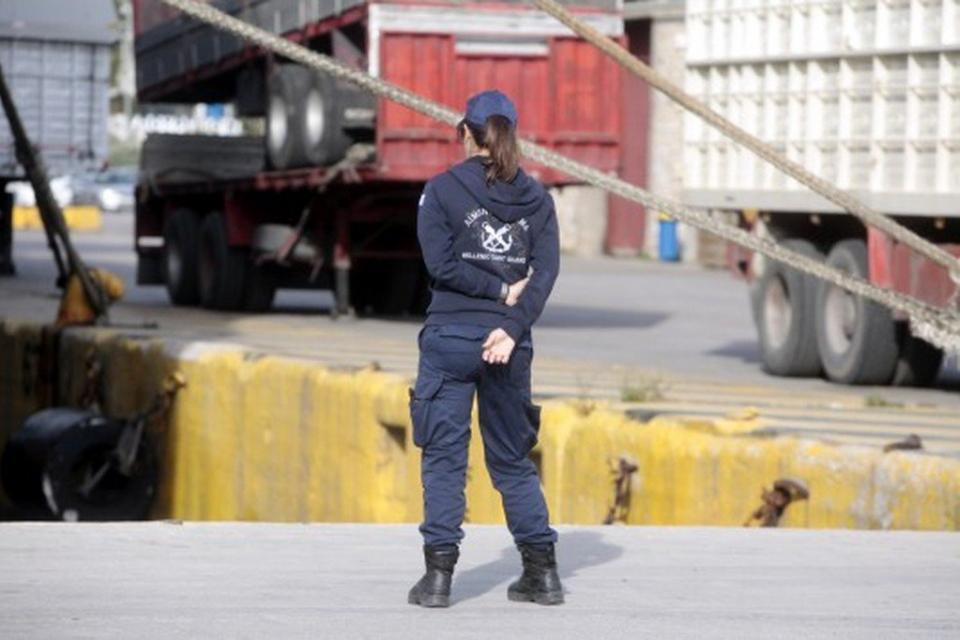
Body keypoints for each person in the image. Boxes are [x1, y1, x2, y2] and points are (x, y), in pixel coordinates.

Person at [407, 90, 562, 608]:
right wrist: (511, 324)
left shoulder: (441, 191)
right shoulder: (538, 200)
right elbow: (544, 275)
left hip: (450, 340)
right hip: (508, 345)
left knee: (444, 460)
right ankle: (542, 574)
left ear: (464, 132)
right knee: (512, 461)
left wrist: (492, 292)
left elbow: (441, 266)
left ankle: (437, 580)